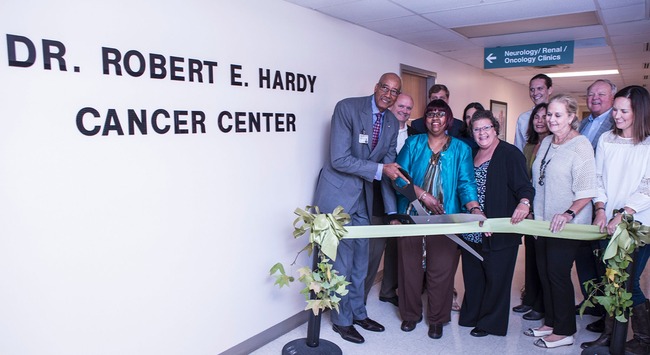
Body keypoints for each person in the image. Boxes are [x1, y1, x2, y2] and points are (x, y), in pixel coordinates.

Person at [312, 72, 407, 344]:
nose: (388, 94)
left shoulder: (390, 121)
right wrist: (380, 169)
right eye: (385, 88)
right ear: (376, 87)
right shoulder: (347, 108)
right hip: (338, 196)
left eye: (394, 91)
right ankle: (342, 321)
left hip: (364, 199)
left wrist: (392, 214)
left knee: (361, 262)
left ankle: (358, 312)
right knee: (340, 262)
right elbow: (339, 159)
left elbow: (389, 171)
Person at [395, 99, 482, 339]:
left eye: (440, 115)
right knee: (410, 268)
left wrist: (474, 208)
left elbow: (466, 183)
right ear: (425, 119)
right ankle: (410, 316)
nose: (435, 119)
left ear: (448, 120)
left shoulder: (461, 149)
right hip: (412, 216)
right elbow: (398, 178)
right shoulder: (413, 144)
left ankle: (437, 319)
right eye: (431, 114)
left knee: (441, 270)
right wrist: (422, 194)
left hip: (446, 218)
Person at [581, 85, 650, 353]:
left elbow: (647, 185)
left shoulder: (647, 144)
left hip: (639, 224)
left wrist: (624, 213)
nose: (617, 115)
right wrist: (600, 208)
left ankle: (644, 339)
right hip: (608, 221)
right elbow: (597, 177)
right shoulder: (607, 139)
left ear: (639, 112)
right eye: (616, 110)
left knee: (629, 283)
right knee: (610, 280)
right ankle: (610, 336)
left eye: (624, 111)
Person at [526, 94, 597, 349]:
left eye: (558, 115)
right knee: (544, 272)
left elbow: (588, 189)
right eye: (549, 115)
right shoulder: (545, 142)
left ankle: (565, 330)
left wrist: (568, 213)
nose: (551, 119)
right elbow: (539, 179)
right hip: (543, 221)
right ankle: (551, 322)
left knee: (557, 274)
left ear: (571, 117)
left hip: (568, 223)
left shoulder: (581, 145)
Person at [458, 110, 534, 337]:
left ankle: (491, 323)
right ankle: (471, 315)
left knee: (496, 278)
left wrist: (524, 203)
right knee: (473, 275)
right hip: (473, 227)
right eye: (476, 129)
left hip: (499, 231)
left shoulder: (510, 154)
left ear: (495, 128)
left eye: (486, 128)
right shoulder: (470, 153)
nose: (481, 133)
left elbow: (525, 186)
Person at [365, 93, 418, 307]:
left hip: (404, 201)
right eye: (401, 106)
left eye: (408, 108)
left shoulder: (415, 136)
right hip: (380, 197)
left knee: (397, 249)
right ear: (392, 105)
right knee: (374, 250)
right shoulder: (380, 130)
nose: (404, 111)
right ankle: (360, 298)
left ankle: (388, 290)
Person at [574, 79, 617, 333]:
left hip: (603, 202)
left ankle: (607, 313)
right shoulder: (585, 122)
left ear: (612, 96)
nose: (595, 98)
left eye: (601, 94)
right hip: (582, 201)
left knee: (604, 260)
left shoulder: (617, 123)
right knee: (584, 257)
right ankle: (591, 301)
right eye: (590, 94)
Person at [512, 103, 549, 321]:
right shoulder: (528, 146)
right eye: (537, 116)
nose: (540, 120)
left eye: (545, 117)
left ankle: (541, 304)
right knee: (531, 256)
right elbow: (523, 180)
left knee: (544, 259)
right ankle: (529, 299)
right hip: (528, 208)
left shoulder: (554, 145)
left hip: (544, 209)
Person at [514, 74, 553, 151]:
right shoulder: (523, 118)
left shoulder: (558, 117)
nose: (535, 93)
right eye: (532, 89)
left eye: (540, 88)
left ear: (550, 90)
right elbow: (518, 147)